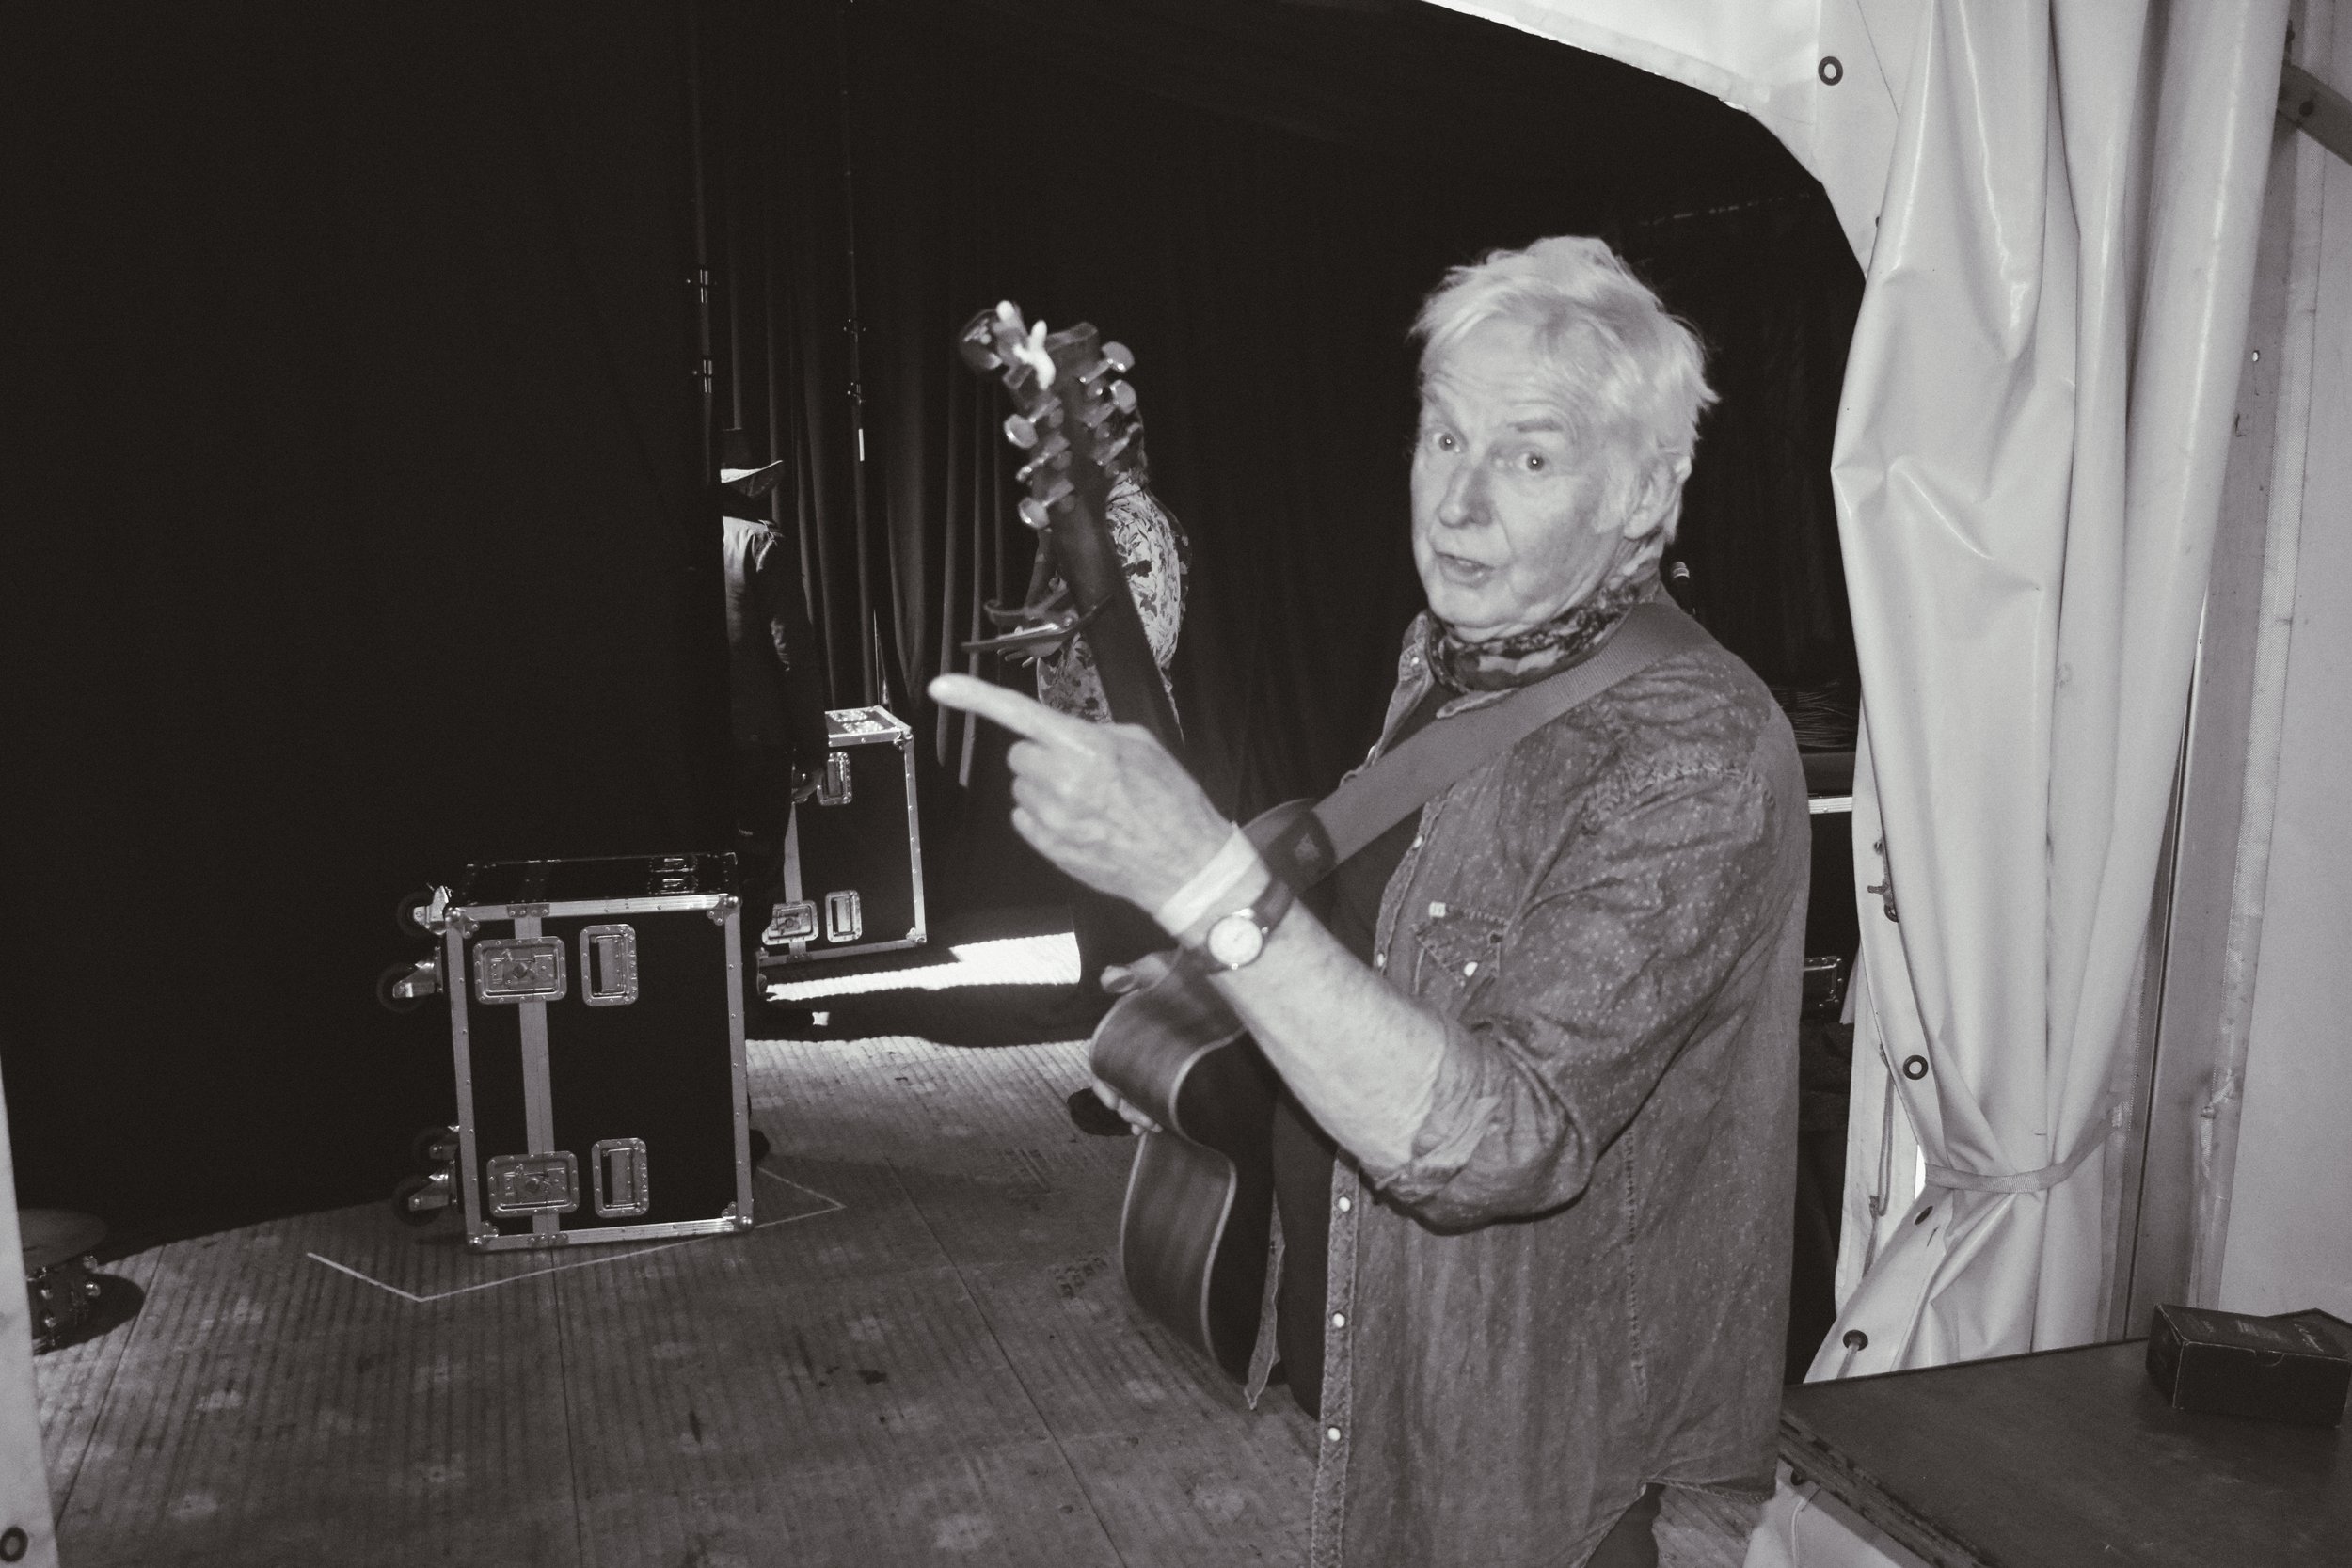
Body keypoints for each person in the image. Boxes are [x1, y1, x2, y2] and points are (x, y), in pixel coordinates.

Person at [931, 236, 1807, 1568]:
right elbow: (1395, 958)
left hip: (1559, 1473)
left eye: (1527, 456)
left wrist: (1209, 886)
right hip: (1382, 1380)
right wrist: (1210, 994)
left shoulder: (1693, 747)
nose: (1457, 506)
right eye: (1443, 440)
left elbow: (1503, 1137)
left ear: (1644, 494)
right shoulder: (1452, 655)